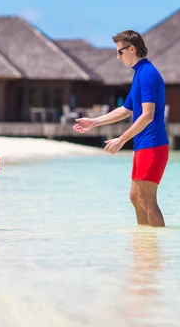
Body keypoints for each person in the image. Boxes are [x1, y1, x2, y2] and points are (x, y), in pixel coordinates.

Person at [73, 30, 169, 227]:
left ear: (132, 49)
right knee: (135, 197)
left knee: (147, 200)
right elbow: (126, 110)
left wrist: (121, 139)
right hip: (143, 145)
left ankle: (155, 250)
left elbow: (147, 115)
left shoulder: (148, 74)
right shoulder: (140, 74)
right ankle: (144, 243)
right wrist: (95, 122)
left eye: (120, 52)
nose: (118, 57)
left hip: (153, 145)